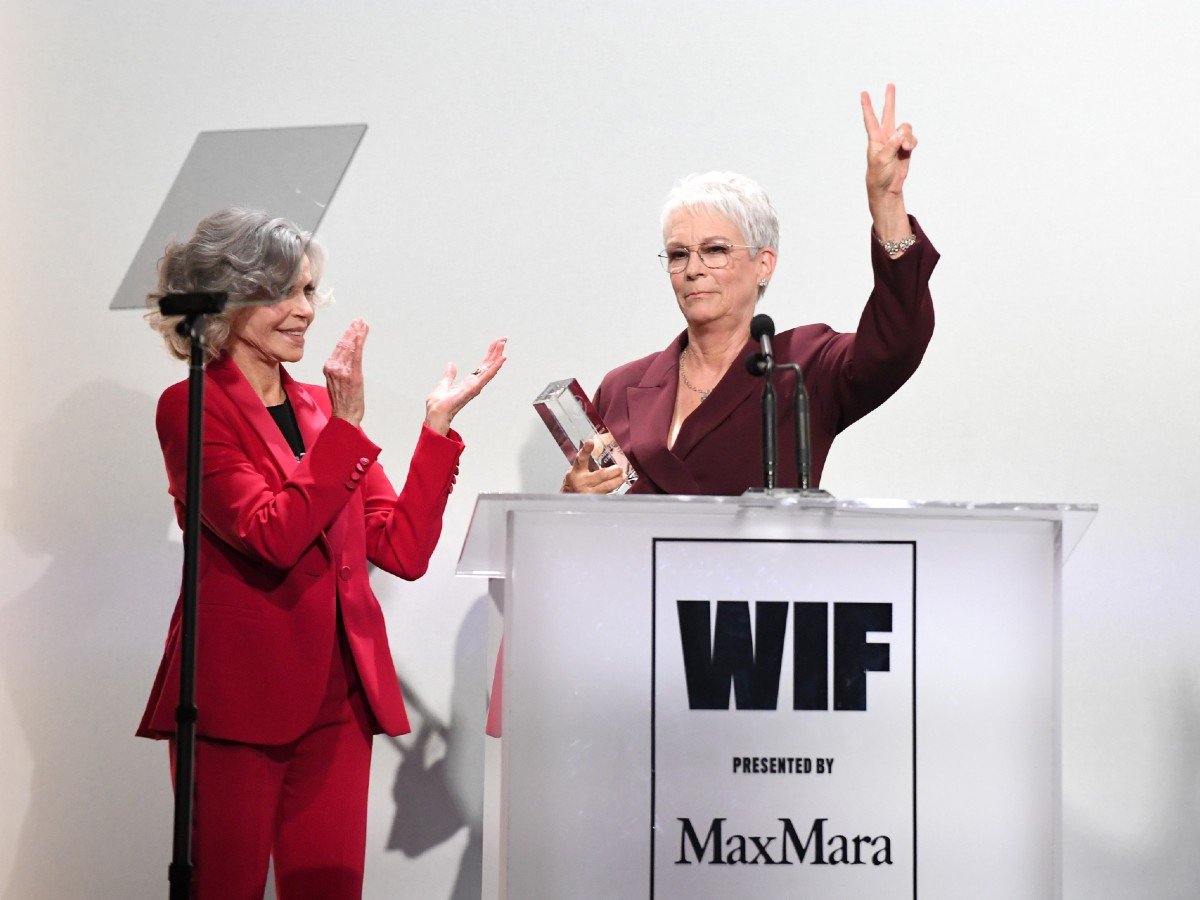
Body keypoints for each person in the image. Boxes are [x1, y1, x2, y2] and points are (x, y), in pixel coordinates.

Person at [137, 207, 506, 898]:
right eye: (285, 291)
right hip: (236, 700)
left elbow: (401, 548)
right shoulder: (191, 405)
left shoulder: (317, 409)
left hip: (338, 703)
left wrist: (435, 431)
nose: (306, 310)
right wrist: (348, 427)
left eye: (310, 291)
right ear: (226, 296)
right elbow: (271, 534)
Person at [562, 84, 937, 495]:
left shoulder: (802, 368)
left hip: (757, 561)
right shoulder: (622, 387)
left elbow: (897, 342)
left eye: (715, 250)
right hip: (636, 561)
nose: (693, 270)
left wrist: (886, 204)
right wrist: (573, 499)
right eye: (678, 255)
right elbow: (592, 522)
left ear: (764, 264)